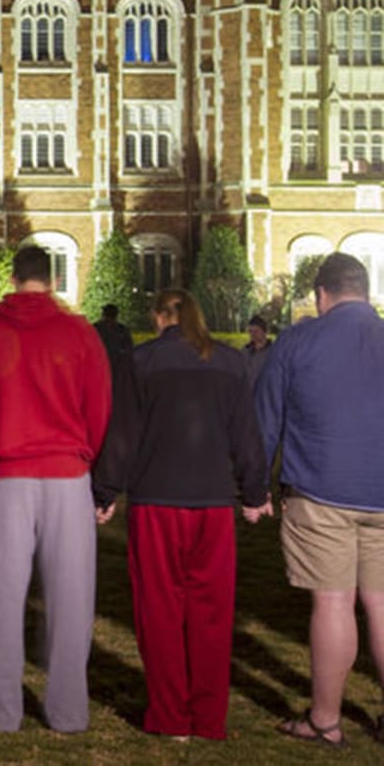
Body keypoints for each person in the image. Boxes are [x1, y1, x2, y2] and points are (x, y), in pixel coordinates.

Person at [93, 288, 270, 740]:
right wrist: (254, 493)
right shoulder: (230, 362)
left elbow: (123, 433)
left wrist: (104, 490)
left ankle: (170, 717)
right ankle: (209, 718)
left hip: (157, 500)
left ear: (158, 318)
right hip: (211, 503)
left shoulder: (141, 361)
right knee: (212, 614)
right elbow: (247, 435)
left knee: (160, 611)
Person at [0, 245, 112, 734]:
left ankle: (0, 711)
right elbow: (100, 406)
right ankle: (67, 711)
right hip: (66, 476)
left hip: (5, 475)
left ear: (14, 279)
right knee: (71, 599)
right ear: (53, 279)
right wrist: (85, 456)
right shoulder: (79, 332)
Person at [256, 252, 384, 749]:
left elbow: (266, 418)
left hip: (320, 489)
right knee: (380, 602)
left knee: (333, 601)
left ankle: (325, 720)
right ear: (367, 291)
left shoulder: (298, 340)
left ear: (321, 294)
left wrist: (254, 487)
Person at [242, 314, 271, 390]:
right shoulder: (245, 351)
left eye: (256, 331)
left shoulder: (273, 352)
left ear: (264, 331)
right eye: (250, 331)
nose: (253, 334)